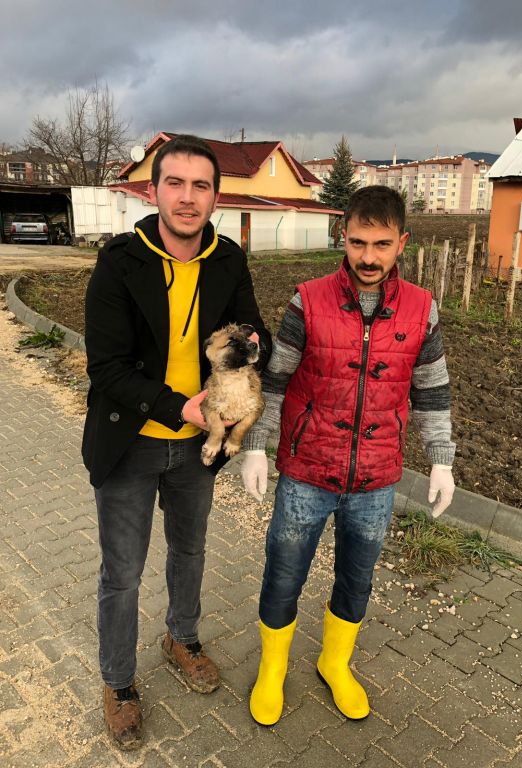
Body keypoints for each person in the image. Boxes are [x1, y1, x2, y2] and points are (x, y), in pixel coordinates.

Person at [240, 185, 456, 725]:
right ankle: (273, 669)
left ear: (401, 242)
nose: (367, 257)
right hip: (307, 472)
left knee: (357, 578)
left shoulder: (422, 309)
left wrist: (441, 459)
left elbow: (432, 389)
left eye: (381, 244)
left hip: (377, 477)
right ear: (344, 235)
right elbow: (274, 380)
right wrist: (255, 446)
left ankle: (335, 663)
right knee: (285, 572)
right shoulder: (306, 299)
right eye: (358, 242)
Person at [82, 134, 271, 749]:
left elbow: (249, 326)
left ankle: (181, 639)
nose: (188, 198)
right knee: (123, 572)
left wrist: (254, 343)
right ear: (154, 189)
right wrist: (177, 407)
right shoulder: (119, 261)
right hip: (132, 441)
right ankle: (118, 682)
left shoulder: (227, 257)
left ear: (215, 195)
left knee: (189, 553)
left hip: (198, 447)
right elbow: (106, 367)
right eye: (176, 183)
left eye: (201, 186)